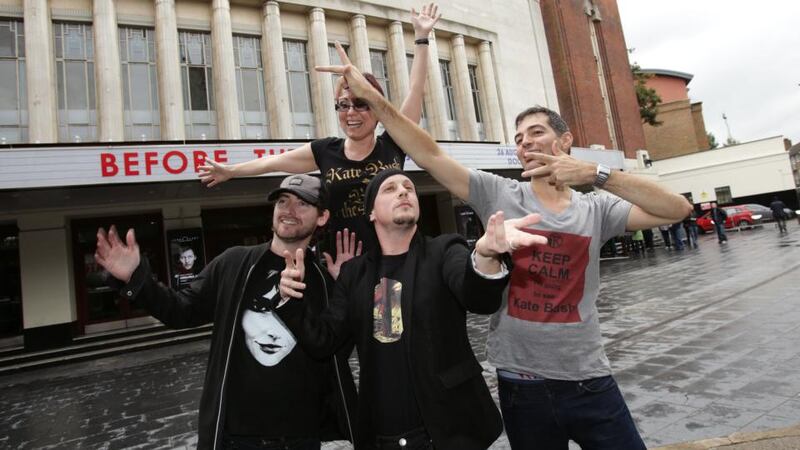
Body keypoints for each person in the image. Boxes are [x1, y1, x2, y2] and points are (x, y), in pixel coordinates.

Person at [316, 52, 694, 448]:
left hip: (589, 380)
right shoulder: (498, 193)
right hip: (521, 383)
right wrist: (372, 100)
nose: (525, 142)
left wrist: (595, 174)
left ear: (565, 140)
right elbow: (429, 154)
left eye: (535, 132)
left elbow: (676, 209)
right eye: (518, 138)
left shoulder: (597, 209)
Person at [279, 169, 548, 449]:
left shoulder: (445, 250)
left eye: (408, 187)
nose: (403, 191)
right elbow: (323, 341)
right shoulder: (353, 273)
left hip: (451, 431)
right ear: (371, 213)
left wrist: (486, 256)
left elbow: (477, 297)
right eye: (390, 189)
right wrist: (291, 298)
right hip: (383, 434)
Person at [94, 174, 358, 450]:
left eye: (302, 204)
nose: (289, 210)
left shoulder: (325, 282)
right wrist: (136, 278)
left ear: (322, 217)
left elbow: (335, 349)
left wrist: (348, 287)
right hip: (234, 437)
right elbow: (180, 310)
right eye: (282, 201)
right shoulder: (235, 263)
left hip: (301, 438)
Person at [198, 3, 441, 254]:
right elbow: (273, 162)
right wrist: (230, 171)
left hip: (395, 260)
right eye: (343, 105)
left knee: (394, 295)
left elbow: (415, 89)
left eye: (361, 104)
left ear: (378, 110)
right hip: (341, 267)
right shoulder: (326, 150)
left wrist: (421, 38)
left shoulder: (394, 142)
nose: (350, 113)